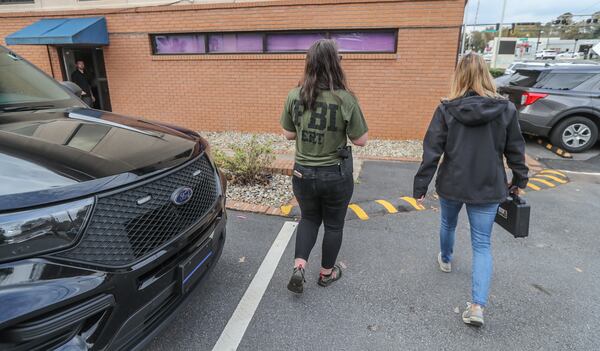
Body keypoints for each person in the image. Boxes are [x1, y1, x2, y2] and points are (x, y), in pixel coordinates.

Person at [413, 52, 529, 327]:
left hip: (453, 183)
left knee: (448, 223)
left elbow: (432, 150)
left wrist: (421, 184)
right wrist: (520, 179)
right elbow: (516, 148)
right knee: (482, 244)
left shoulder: (446, 108)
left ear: (459, 76)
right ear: (486, 75)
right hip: (489, 185)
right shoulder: (506, 109)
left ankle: (446, 258)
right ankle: (477, 306)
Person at [280, 39, 368, 294]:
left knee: (308, 218)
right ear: (335, 64)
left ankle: (299, 267)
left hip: (302, 173)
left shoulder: (295, 95)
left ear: (309, 64)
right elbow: (361, 141)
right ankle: (326, 274)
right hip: (335, 175)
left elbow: (287, 134)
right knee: (333, 225)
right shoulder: (345, 99)